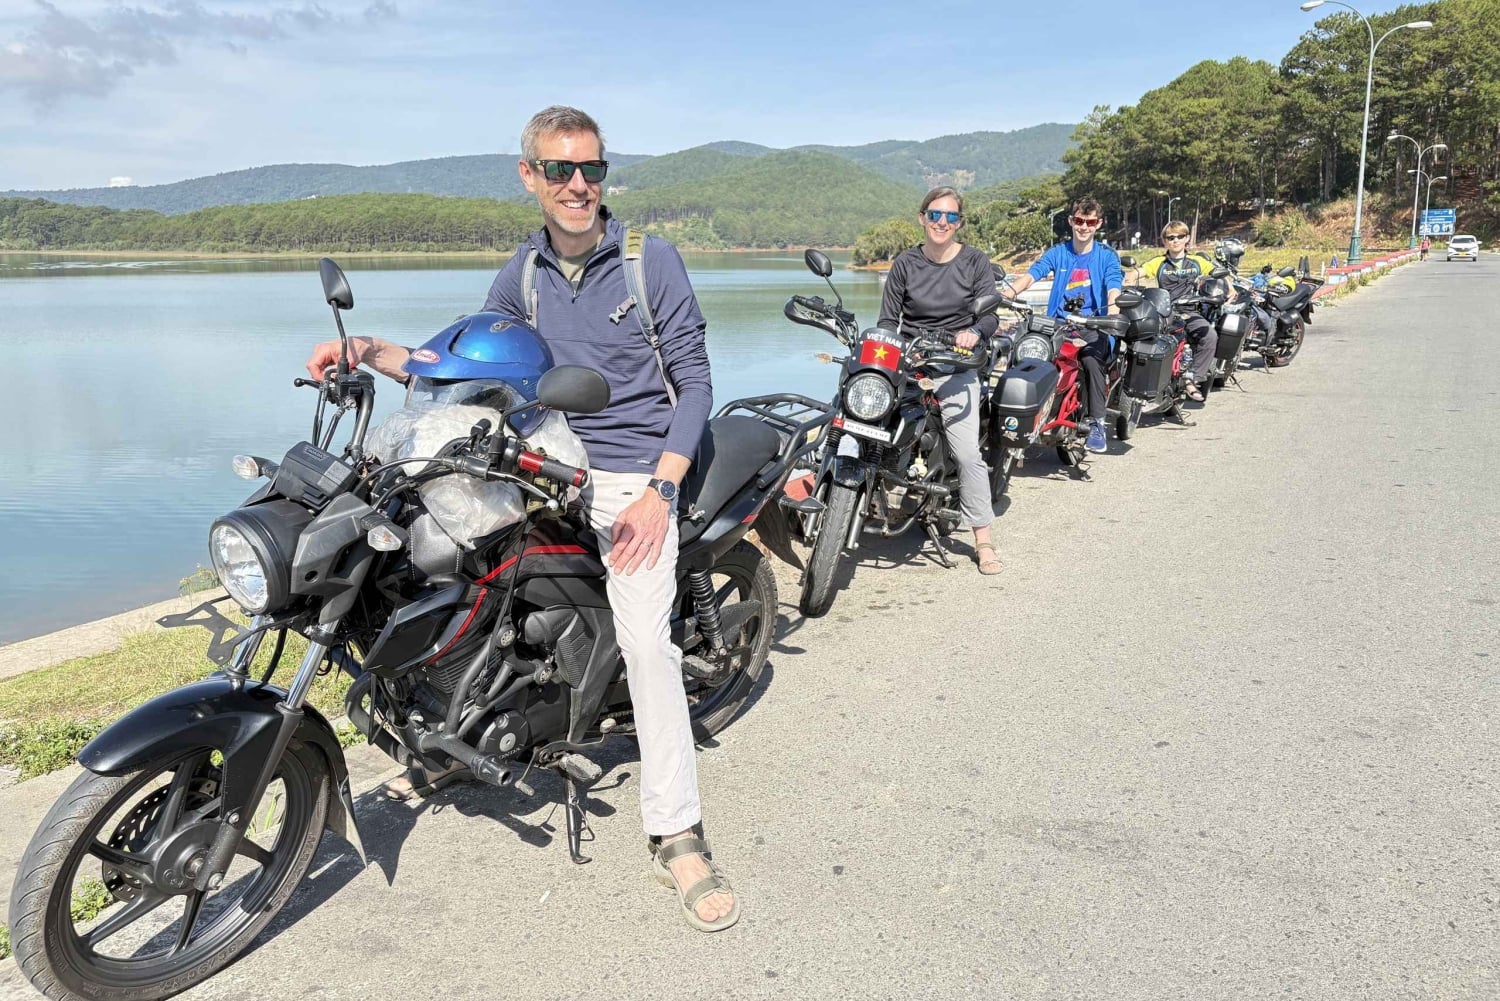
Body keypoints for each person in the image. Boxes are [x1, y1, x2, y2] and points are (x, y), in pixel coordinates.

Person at [304, 106, 737, 932]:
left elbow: (697, 383)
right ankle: (456, 732)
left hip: (635, 471)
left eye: (593, 170)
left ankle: (677, 831)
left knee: (648, 641)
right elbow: (463, 364)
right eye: (561, 170)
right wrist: (368, 348)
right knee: (442, 560)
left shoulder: (652, 263)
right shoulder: (523, 273)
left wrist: (660, 488)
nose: (579, 186)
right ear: (529, 176)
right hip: (544, 455)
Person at [877, 187, 1002, 575]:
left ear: (959, 222)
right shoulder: (905, 263)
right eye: (935, 215)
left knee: (967, 452)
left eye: (950, 217)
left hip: (956, 363)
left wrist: (975, 333)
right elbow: (887, 321)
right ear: (922, 218)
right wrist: (890, 349)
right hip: (912, 360)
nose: (942, 223)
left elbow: (990, 315)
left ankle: (983, 540)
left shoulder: (974, 261)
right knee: (866, 418)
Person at [1002, 197, 1123, 453]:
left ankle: (1097, 422)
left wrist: (1113, 311)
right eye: (1079, 221)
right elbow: (1034, 273)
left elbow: (1114, 285)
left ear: (1098, 224)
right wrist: (1007, 294)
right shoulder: (1059, 253)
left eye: (1090, 222)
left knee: (1091, 361)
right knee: (1026, 352)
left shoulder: (1106, 256)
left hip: (1096, 325)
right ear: (1071, 221)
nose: (1084, 227)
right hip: (1058, 325)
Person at [1137, 221, 1220, 403]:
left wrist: (1229, 290)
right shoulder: (1158, 263)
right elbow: (1138, 273)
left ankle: (1192, 378)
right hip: (1163, 313)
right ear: (1164, 241)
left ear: (1187, 238)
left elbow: (1217, 273)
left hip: (1189, 312)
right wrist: (1120, 278)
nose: (1175, 241)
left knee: (1210, 336)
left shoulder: (1197, 262)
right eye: (1170, 237)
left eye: (1180, 237)